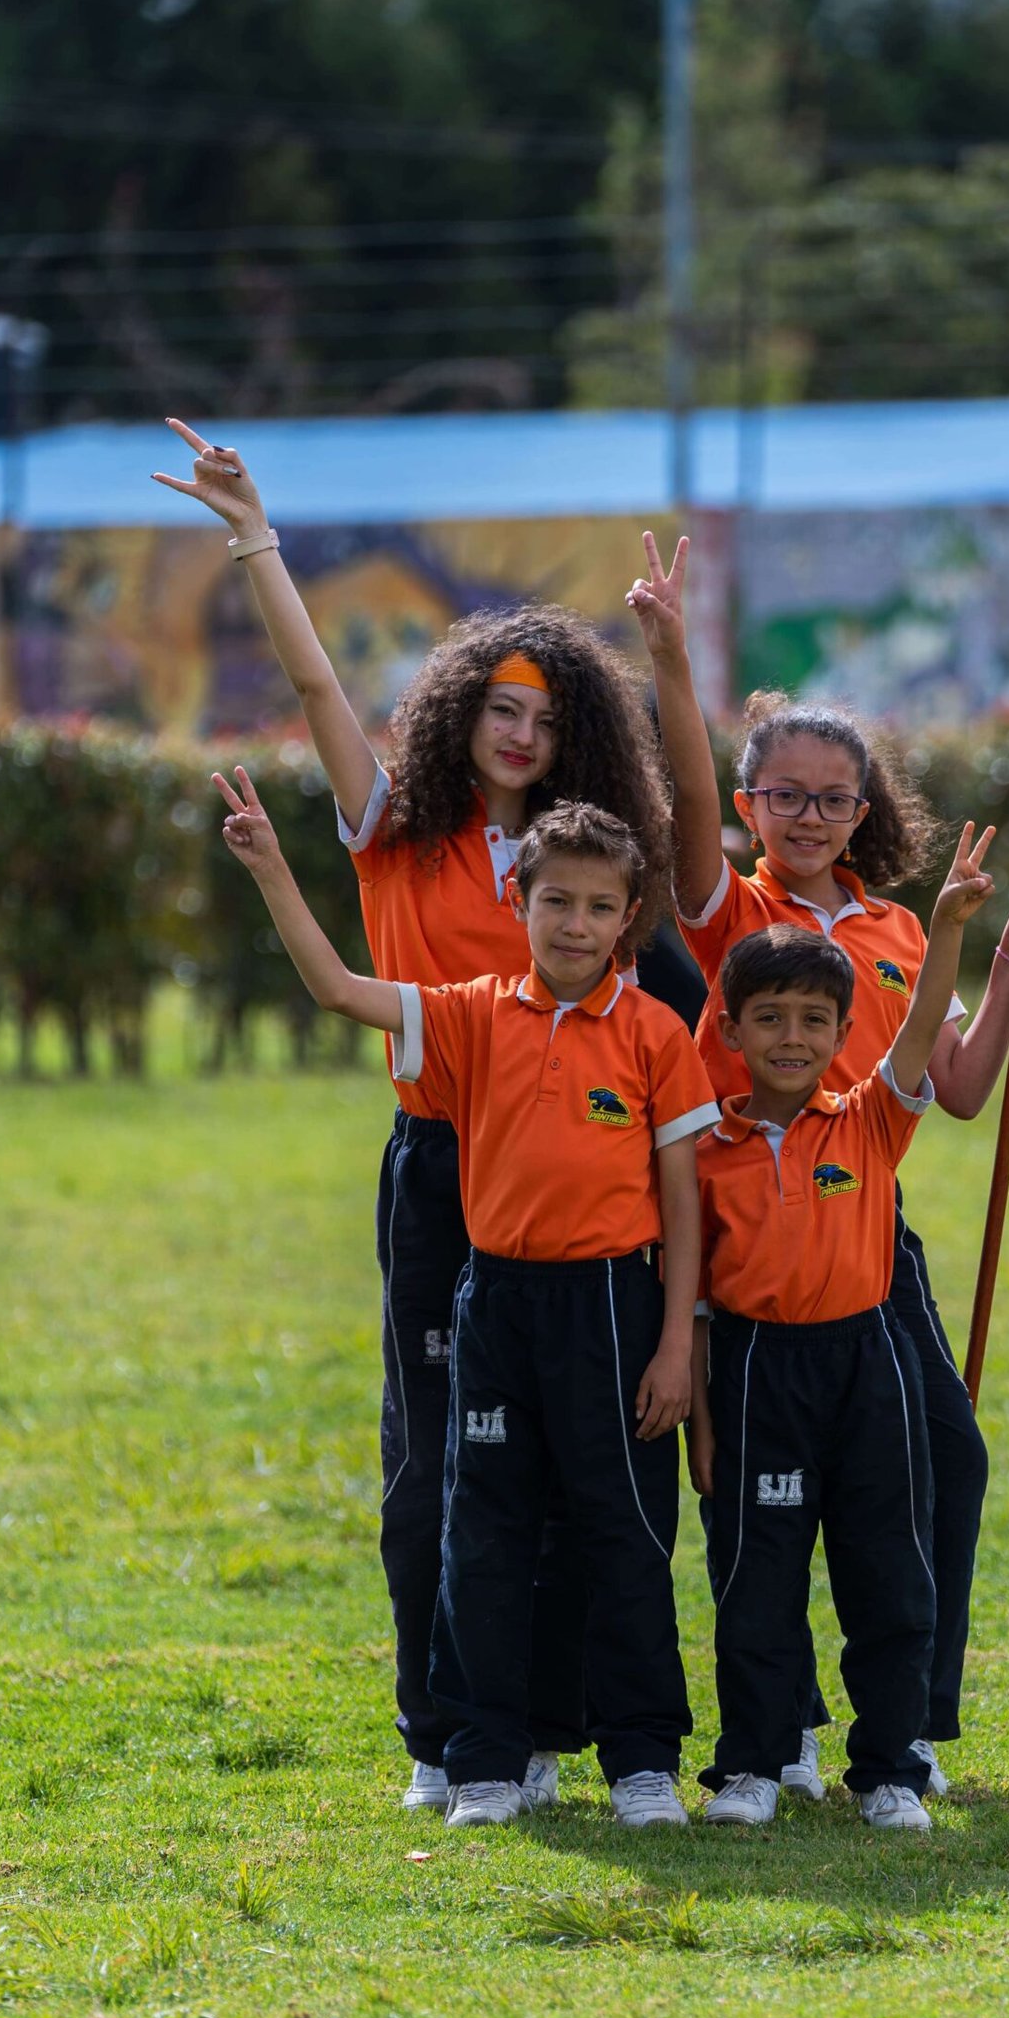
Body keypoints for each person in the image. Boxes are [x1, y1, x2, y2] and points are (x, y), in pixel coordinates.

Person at [154, 421, 673, 1814]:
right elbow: (316, 676)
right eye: (503, 704)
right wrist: (255, 537)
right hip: (442, 1167)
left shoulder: (584, 866)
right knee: (429, 1456)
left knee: (574, 1466)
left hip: (572, 1177)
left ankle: (547, 1731)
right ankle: (442, 1736)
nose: (524, 729)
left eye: (550, 715)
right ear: (459, 709)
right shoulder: (391, 824)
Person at [629, 533, 1009, 1799]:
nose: (808, 817)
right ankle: (781, 1729)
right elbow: (691, 809)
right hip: (743, 1226)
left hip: (868, 1221)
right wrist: (668, 655)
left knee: (943, 1460)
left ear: (865, 813)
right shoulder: (729, 912)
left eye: (833, 799)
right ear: (754, 805)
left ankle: (906, 1727)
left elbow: (964, 1086)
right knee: (753, 1497)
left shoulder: (894, 930)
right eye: (786, 796)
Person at [211, 773, 718, 1827]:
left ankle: (640, 1761)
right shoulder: (473, 1015)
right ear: (519, 904)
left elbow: (683, 1204)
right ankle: (482, 1758)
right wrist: (269, 867)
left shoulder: (655, 1036)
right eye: (554, 901)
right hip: (494, 1305)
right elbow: (343, 989)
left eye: (596, 906)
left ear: (629, 918)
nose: (573, 922)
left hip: (613, 1308)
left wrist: (676, 1344)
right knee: (480, 1530)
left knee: (622, 1528)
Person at [692, 821, 999, 1829]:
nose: (792, 1037)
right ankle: (753, 1762)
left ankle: (892, 1770)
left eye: (815, 1020)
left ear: (839, 1031)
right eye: (769, 1018)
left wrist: (949, 926)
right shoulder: (707, 1148)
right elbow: (691, 1286)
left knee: (886, 1573)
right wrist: (698, 1406)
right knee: (756, 1578)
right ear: (730, 1033)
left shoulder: (868, 1116)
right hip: (752, 1370)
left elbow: (917, 1039)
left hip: (864, 1364)